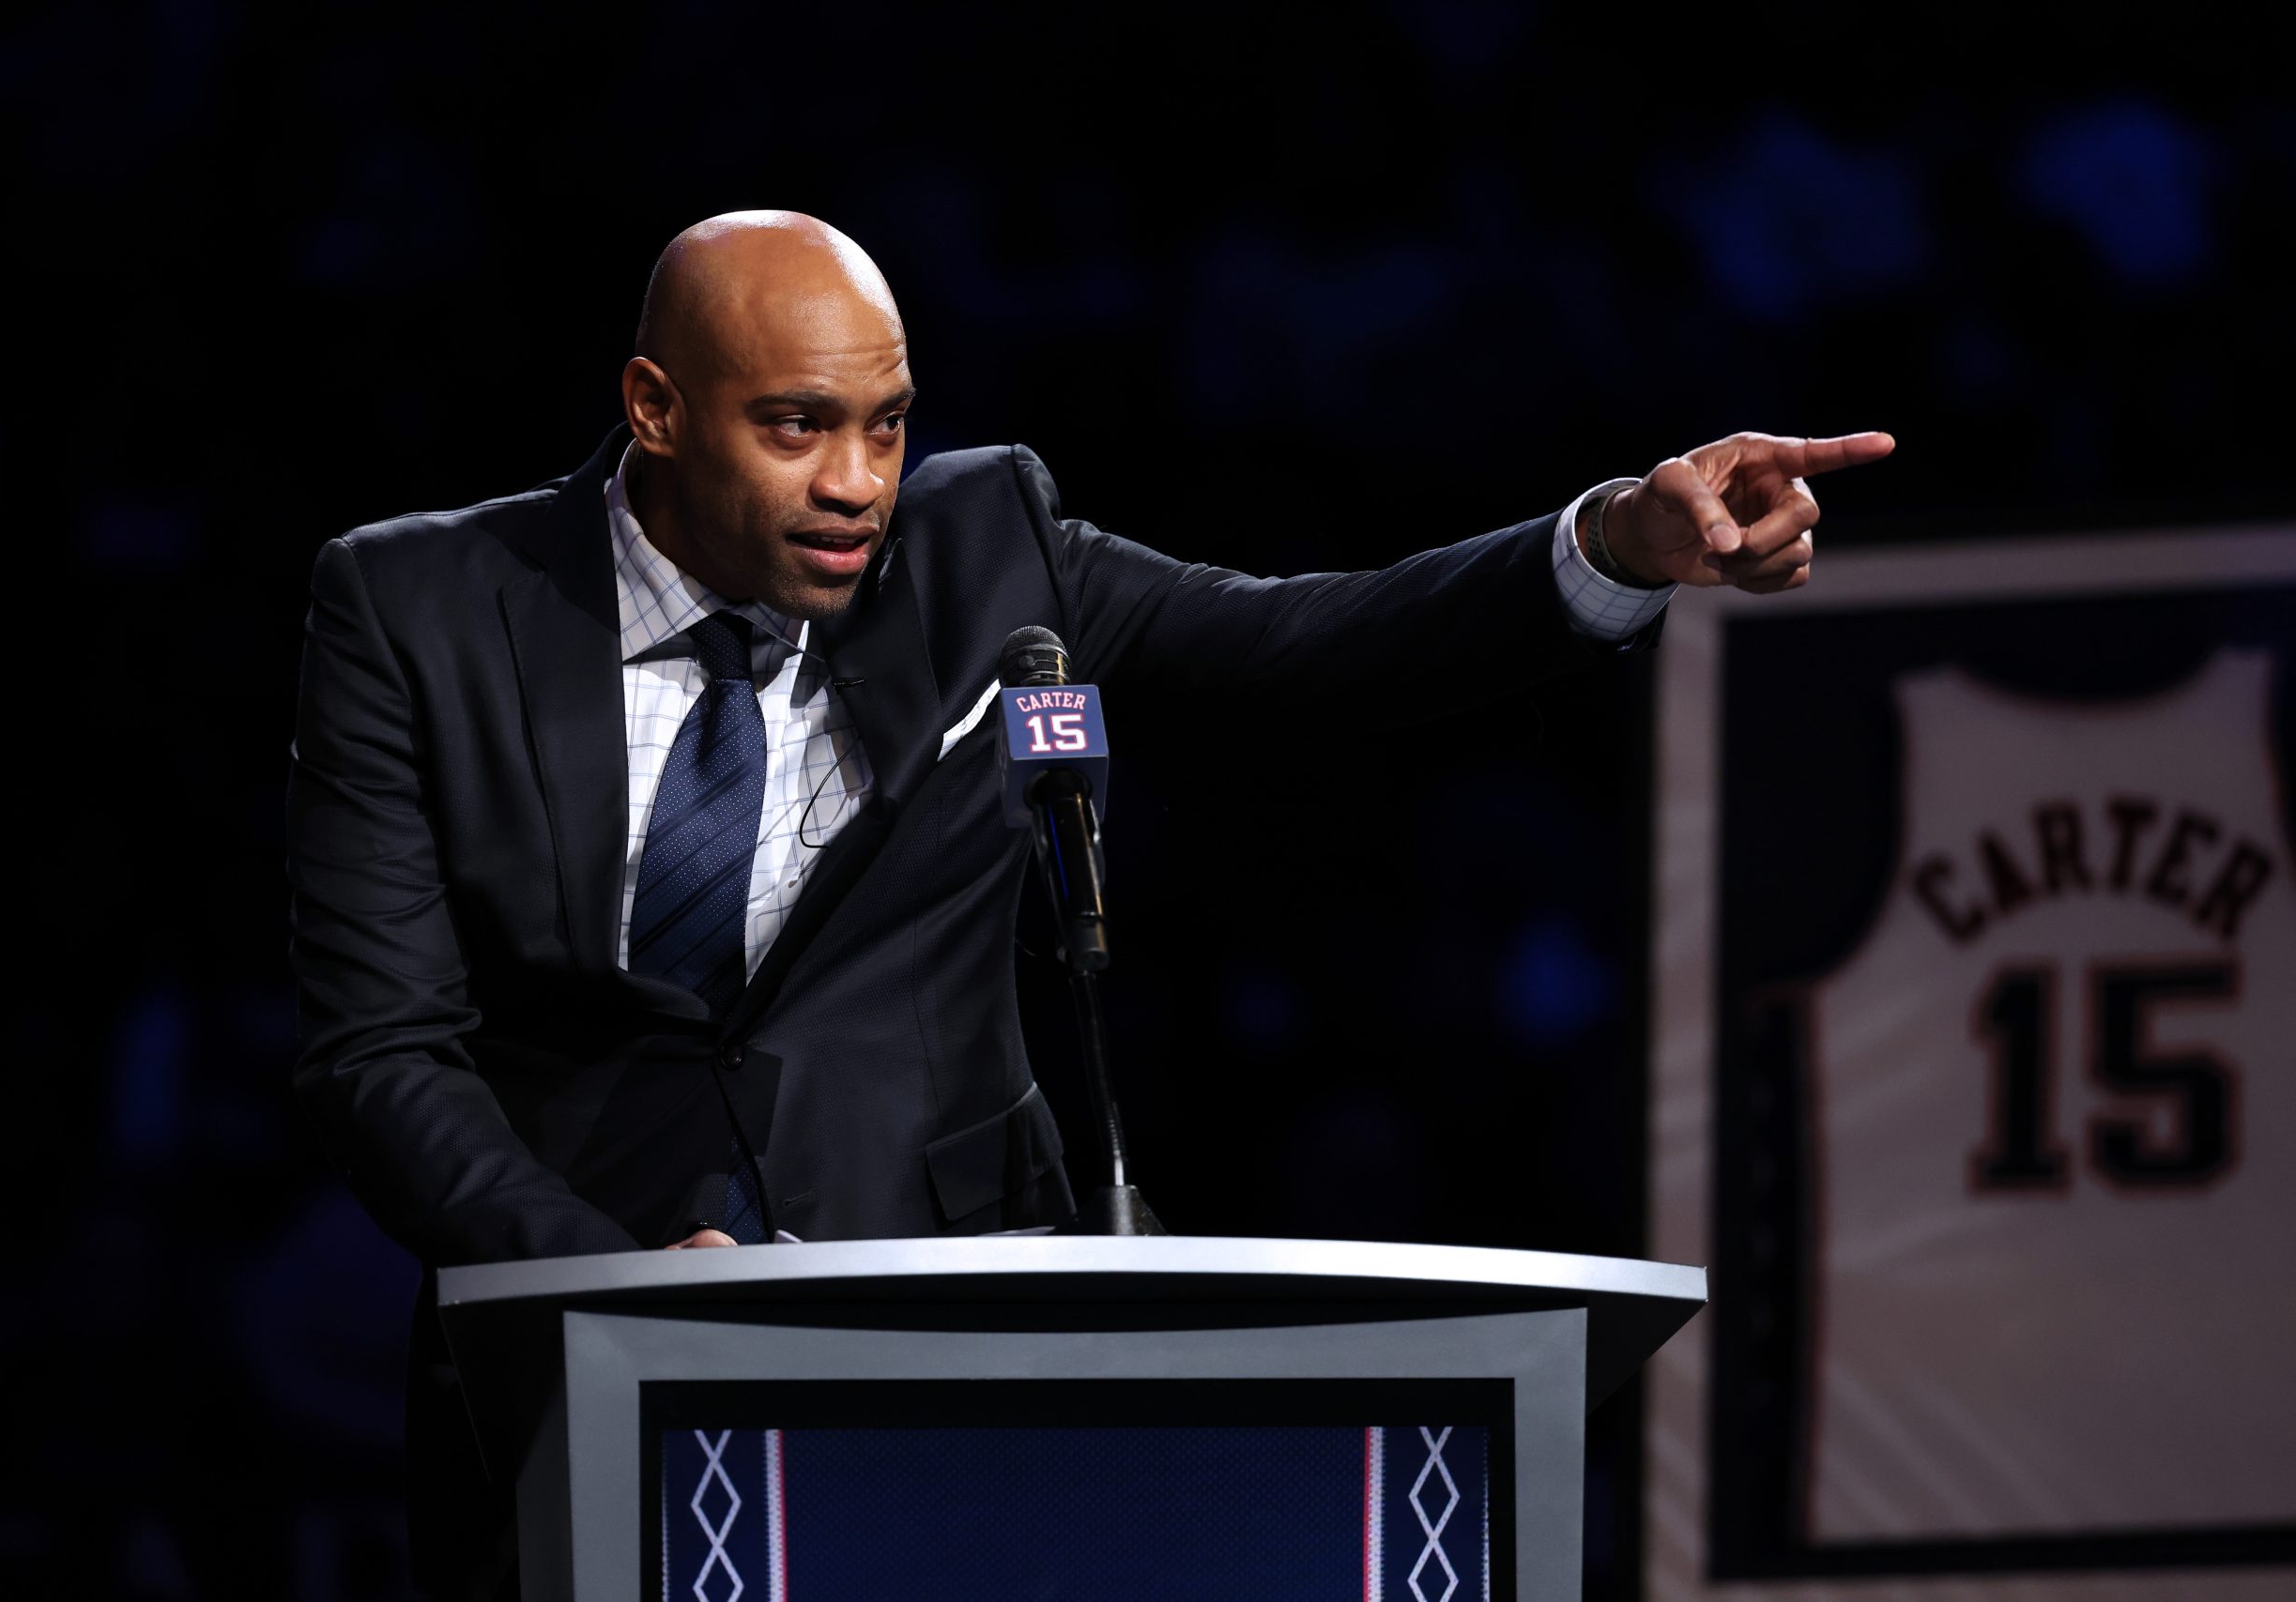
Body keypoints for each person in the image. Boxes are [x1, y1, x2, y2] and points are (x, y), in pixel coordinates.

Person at [285, 209, 1891, 1599]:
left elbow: (1308, 645)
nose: (859, 483)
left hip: (968, 1372)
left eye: (888, 424)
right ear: (653, 406)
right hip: (583, 1392)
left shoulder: (987, 548)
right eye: (796, 428)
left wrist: (1611, 542)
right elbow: (383, 1055)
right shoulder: (419, 608)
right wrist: (610, 1293)